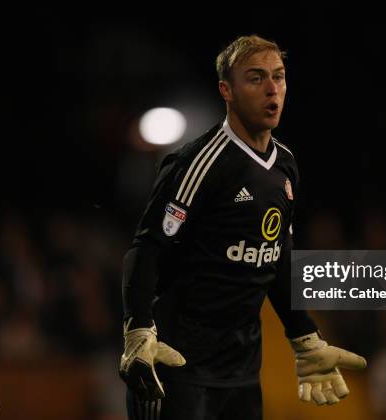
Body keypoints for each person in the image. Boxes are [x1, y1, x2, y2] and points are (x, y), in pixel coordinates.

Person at [119, 34, 366, 420]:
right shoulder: (201, 162)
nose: (272, 89)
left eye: (279, 77)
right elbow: (148, 246)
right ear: (227, 90)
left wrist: (303, 335)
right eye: (255, 78)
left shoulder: (285, 165)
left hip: (242, 375)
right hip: (179, 369)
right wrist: (138, 328)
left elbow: (275, 257)